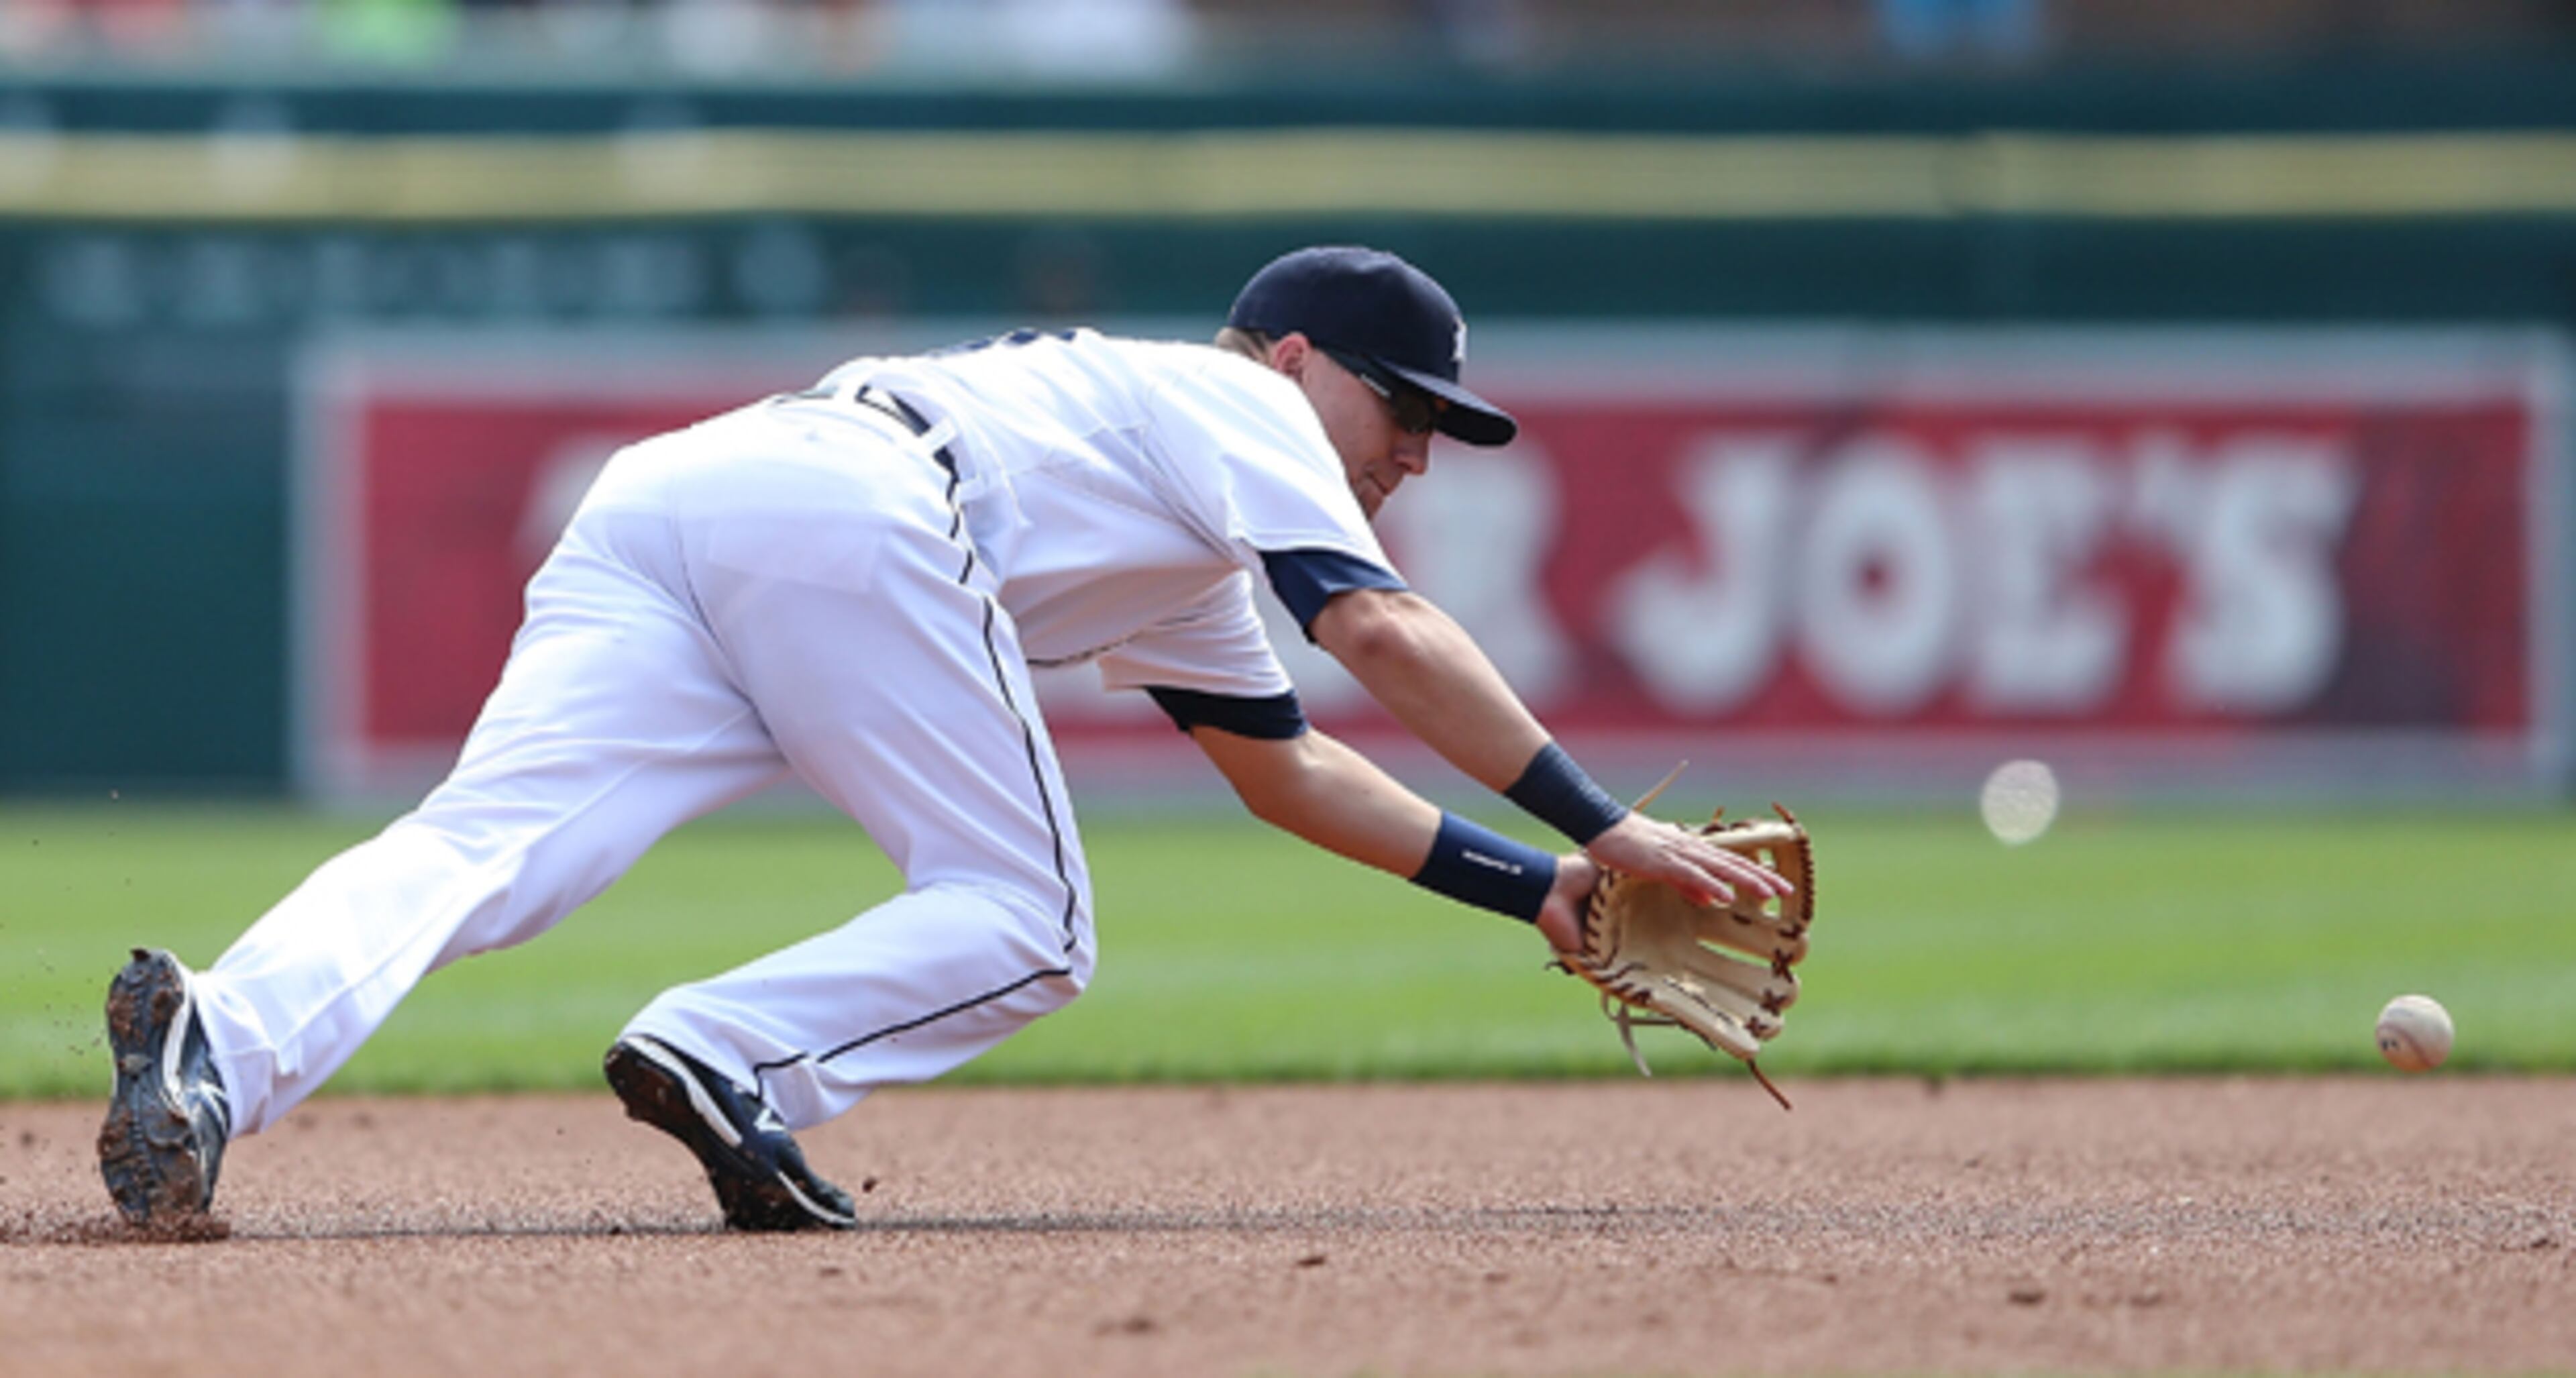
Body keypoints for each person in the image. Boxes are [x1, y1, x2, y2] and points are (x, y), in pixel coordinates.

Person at [99, 245, 1794, 1232]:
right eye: (1405, 409)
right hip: (857, 507)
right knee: (1032, 917)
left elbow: (1286, 766)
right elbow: (1379, 627)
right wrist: (1603, 813)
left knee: (487, 851)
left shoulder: (1174, 511)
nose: (1418, 452)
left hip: (690, 494)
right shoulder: (1240, 408)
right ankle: (727, 1048)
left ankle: (216, 1057)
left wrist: (1540, 889)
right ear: (1299, 360)